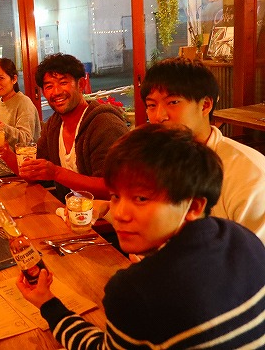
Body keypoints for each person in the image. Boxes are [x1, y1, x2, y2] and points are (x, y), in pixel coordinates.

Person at [17, 124, 265, 349]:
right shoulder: (241, 237)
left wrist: (48, 305)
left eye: (141, 198)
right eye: (115, 196)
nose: (120, 214)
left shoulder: (136, 290)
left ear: (193, 206)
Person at [141, 57, 265, 242]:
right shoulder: (158, 160)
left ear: (205, 105)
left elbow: (256, 254)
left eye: (173, 102)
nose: (159, 116)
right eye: (152, 105)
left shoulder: (248, 172)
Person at [19, 53, 128, 200]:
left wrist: (56, 173)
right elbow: (35, 173)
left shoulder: (105, 124)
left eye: (63, 83)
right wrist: (3, 151)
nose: (56, 92)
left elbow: (113, 188)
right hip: (69, 209)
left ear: (81, 84)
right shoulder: (54, 124)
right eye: (49, 86)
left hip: (106, 213)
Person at [0, 57, 41, 148]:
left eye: (1, 78)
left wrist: (3, 128)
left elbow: (26, 140)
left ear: (14, 79)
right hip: (1, 155)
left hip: (23, 156)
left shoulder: (24, 103)